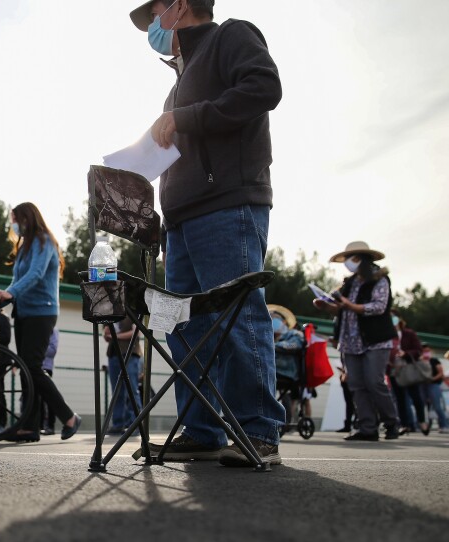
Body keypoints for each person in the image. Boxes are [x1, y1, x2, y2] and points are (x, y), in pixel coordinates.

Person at [128, 0, 283, 466]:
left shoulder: (231, 36)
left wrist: (187, 116)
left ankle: (258, 431)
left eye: (153, 14)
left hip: (227, 207)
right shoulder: (177, 82)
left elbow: (264, 88)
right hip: (179, 222)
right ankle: (202, 430)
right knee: (182, 327)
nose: (151, 27)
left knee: (237, 316)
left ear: (177, 6)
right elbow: (169, 156)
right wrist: (155, 216)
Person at [0, 202, 80, 443]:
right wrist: (6, 293)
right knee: (26, 370)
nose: (14, 225)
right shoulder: (25, 245)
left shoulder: (43, 241)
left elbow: (36, 274)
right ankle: (28, 427)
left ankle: (69, 416)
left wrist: (12, 293)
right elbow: (19, 278)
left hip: (42, 312)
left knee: (32, 367)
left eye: (16, 219)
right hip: (24, 312)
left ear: (27, 218)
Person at [313, 241, 400, 442]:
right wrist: (326, 306)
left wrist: (350, 305)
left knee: (374, 382)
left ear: (364, 259)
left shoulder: (380, 279)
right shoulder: (349, 283)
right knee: (357, 384)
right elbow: (340, 308)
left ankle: (391, 422)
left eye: (353, 259)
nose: (348, 263)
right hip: (350, 340)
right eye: (347, 260)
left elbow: (379, 306)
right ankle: (367, 427)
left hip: (375, 340)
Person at [389, 314, 429, 435]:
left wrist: (405, 353)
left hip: (409, 369)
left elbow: (418, 350)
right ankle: (404, 424)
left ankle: (422, 421)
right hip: (394, 370)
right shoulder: (386, 335)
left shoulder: (409, 333)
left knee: (416, 397)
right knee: (399, 399)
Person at [104, 317, 142, 435]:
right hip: (113, 354)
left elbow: (136, 333)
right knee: (116, 391)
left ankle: (135, 424)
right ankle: (118, 424)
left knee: (131, 389)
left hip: (130, 353)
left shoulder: (132, 312)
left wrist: (115, 336)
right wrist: (107, 334)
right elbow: (106, 336)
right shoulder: (110, 313)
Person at [268, 305, 306, 426]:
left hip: (285, 372)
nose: (272, 320)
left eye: (275, 318)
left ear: (283, 321)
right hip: (272, 370)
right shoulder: (268, 335)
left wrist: (271, 346)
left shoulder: (294, 334)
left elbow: (295, 345)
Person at [422, 344, 448, 434]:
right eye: (425, 351)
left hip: (433, 385)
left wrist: (432, 379)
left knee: (437, 406)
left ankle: (444, 425)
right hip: (422, 385)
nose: (427, 353)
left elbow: (441, 373)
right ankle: (424, 426)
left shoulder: (434, 361)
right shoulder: (419, 361)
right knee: (423, 407)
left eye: (428, 351)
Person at [40, 328, 60, 435]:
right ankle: (39, 426)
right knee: (36, 398)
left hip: (46, 367)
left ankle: (50, 426)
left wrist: (38, 348)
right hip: (34, 366)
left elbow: (53, 350)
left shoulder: (53, 330)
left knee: (47, 397)